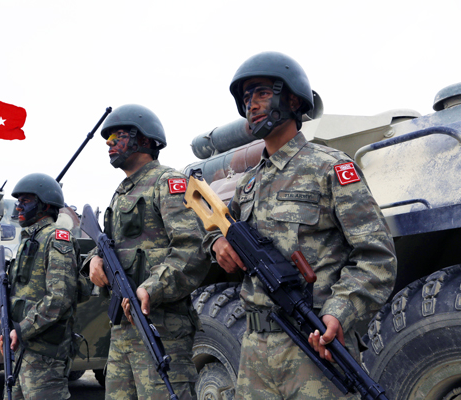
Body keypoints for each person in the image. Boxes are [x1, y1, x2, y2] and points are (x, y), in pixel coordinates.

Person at [207, 52, 397, 399]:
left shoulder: (330, 168)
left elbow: (376, 256)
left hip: (316, 345)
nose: (252, 105)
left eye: (262, 93)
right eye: (246, 98)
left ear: (292, 100)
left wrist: (339, 313)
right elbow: (219, 229)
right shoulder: (248, 183)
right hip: (254, 353)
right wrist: (217, 244)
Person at [82, 104, 210, 400]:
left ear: (144, 139)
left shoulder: (167, 182)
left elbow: (192, 248)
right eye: (108, 138)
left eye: (117, 136)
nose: (109, 143)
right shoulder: (121, 192)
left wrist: (152, 288)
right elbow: (109, 244)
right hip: (122, 330)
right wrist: (94, 260)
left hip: (162, 326)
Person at [0, 172, 80, 400]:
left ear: (45, 205)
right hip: (23, 348)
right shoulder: (29, 240)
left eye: (26, 201)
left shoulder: (56, 239)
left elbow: (59, 298)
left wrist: (22, 329)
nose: (18, 207)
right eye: (18, 201)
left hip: (44, 354)